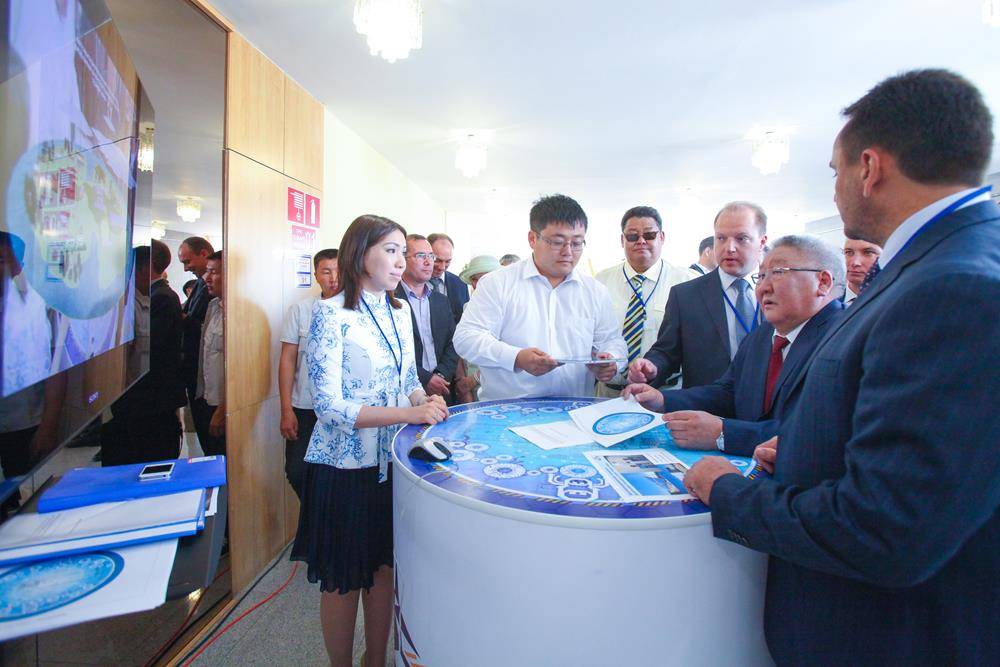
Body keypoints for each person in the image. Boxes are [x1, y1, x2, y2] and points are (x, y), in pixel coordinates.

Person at [683, 69, 1000, 664]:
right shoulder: (936, 264)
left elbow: (887, 529)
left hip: (883, 637)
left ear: (869, 168)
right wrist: (804, 450)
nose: (834, 192)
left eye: (834, 172)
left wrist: (727, 491)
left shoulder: (955, 286)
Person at [291, 215, 447, 667]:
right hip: (344, 466)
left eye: (404, 253)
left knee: (383, 570)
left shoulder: (398, 312)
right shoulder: (329, 313)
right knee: (344, 579)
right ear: (360, 254)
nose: (402, 262)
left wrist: (425, 401)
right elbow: (329, 407)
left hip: (391, 463)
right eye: (391, 251)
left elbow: (407, 378)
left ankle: (375, 659)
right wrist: (409, 413)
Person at [624, 235, 845, 456]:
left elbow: (819, 430)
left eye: (778, 273)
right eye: (761, 276)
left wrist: (725, 434)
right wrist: (662, 400)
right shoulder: (762, 336)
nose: (763, 287)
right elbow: (729, 393)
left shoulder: (844, 341)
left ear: (823, 282)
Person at [453, 194, 626, 400]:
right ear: (532, 239)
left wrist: (610, 360)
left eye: (577, 243)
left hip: (574, 408)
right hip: (508, 410)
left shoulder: (595, 291)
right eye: (557, 242)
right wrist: (516, 357)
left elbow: (612, 340)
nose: (568, 252)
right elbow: (466, 338)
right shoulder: (498, 283)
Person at [629, 202, 767, 389]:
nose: (729, 248)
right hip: (705, 403)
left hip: (768, 402)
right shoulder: (686, 296)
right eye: (721, 238)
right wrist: (651, 367)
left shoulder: (779, 291)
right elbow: (666, 352)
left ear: (762, 242)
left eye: (741, 238)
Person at [594, 206, 697, 397]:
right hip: (608, 393)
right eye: (633, 236)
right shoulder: (601, 282)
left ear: (662, 237)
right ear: (622, 240)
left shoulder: (687, 281)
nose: (641, 241)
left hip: (665, 394)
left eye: (649, 235)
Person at [103, 240, 186, 466]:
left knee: (153, 457)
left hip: (152, 398)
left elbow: (153, 349)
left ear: (145, 268)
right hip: (146, 399)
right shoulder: (148, 297)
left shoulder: (161, 297)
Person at [278, 248, 338, 500]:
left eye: (339, 271)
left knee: (335, 475)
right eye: (326, 272)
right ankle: (315, 514)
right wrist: (286, 409)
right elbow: (287, 360)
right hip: (305, 406)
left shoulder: (359, 310)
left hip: (341, 410)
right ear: (316, 276)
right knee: (297, 471)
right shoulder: (301, 310)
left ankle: (325, 517)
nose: (333, 278)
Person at [394, 235, 460, 403]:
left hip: (442, 389)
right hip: (404, 393)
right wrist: (426, 379)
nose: (428, 262)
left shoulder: (440, 300)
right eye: (421, 256)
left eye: (431, 256)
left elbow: (453, 342)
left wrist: (440, 375)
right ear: (403, 259)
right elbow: (392, 351)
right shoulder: (391, 299)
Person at [178, 236, 214, 441]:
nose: (186, 269)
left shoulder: (214, 295)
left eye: (187, 261)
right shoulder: (199, 284)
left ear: (203, 254)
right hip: (194, 371)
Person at [454, 255, 501, 403]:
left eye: (485, 278)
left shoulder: (508, 308)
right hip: (469, 387)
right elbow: (461, 350)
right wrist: (464, 385)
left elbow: (505, 355)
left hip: (496, 387)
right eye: (474, 279)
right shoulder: (467, 307)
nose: (479, 283)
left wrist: (474, 380)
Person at [194, 250, 225, 456]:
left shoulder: (240, 313)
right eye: (207, 271)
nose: (206, 278)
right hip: (207, 399)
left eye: (213, 272)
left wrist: (223, 409)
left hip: (224, 406)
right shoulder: (213, 306)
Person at [427, 232, 470, 322]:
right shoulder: (414, 283)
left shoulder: (460, 283)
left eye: (447, 261)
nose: (442, 267)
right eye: (437, 260)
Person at [842, 238, 882, 304]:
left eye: (868, 253)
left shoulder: (895, 300)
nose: (855, 263)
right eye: (849, 252)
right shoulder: (827, 300)